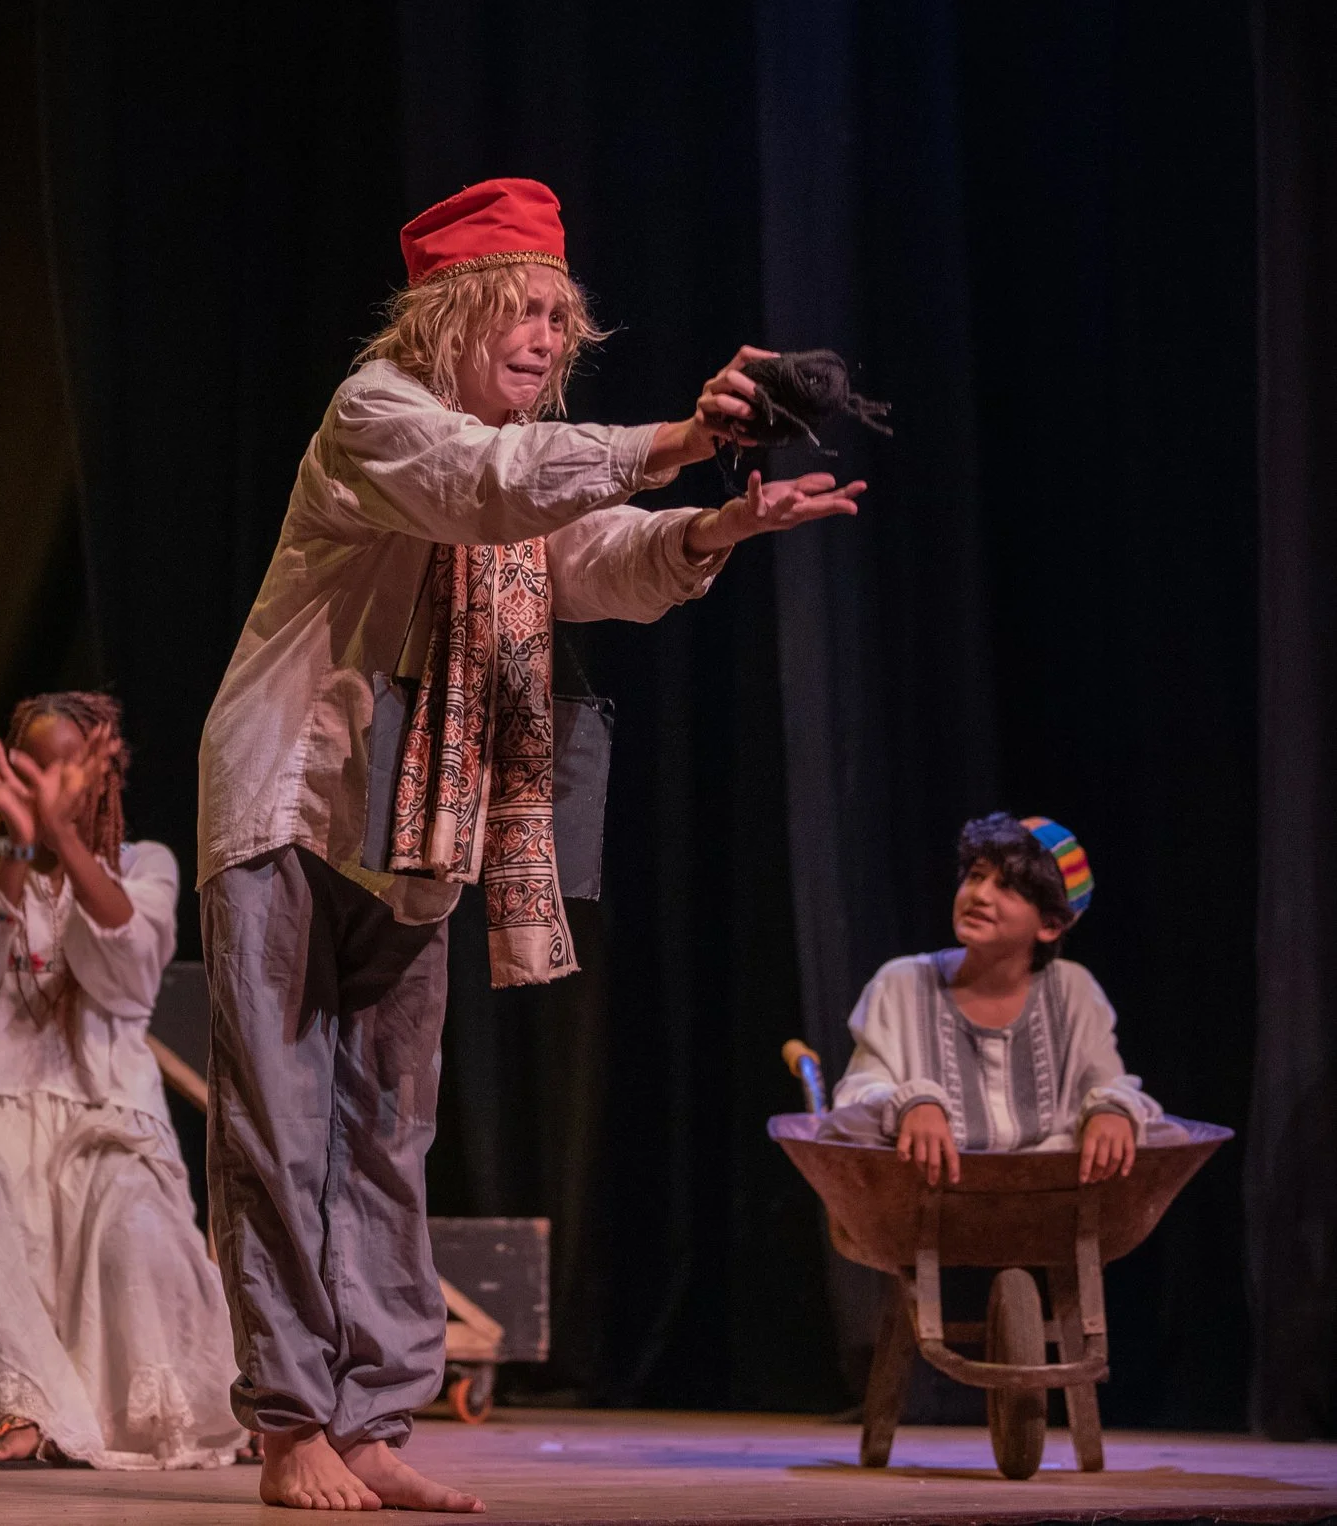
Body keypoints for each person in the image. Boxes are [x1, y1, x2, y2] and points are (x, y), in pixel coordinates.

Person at [198, 177, 869, 1512]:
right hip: (293, 798)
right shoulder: (376, 412)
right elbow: (486, 488)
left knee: (391, 1133)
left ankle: (374, 1415)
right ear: (443, 317)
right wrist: (681, 435)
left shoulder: (530, 456)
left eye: (560, 317)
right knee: (279, 1126)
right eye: (518, 309)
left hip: (415, 824)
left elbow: (588, 554)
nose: (545, 338)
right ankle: (288, 1423)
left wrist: (717, 523)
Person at [0, 692, 244, 1471]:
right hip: (1, 1105)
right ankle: (27, 1404)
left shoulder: (146, 866)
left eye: (68, 769)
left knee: (130, 1225)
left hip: (108, 1109)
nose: (49, 785)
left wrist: (61, 839)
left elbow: (126, 974)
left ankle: (129, 1408)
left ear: (104, 775)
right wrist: (24, 849)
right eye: (35, 768)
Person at [823, 814, 1178, 1185]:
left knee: (1161, 1134)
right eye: (976, 876)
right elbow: (856, 1095)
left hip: (1048, 1191)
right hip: (928, 1189)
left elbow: (1107, 1082)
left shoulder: (1073, 989)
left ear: (1050, 925)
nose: (980, 895)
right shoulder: (902, 983)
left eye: (1007, 887)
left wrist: (1110, 1111)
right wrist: (911, 1104)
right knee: (849, 1128)